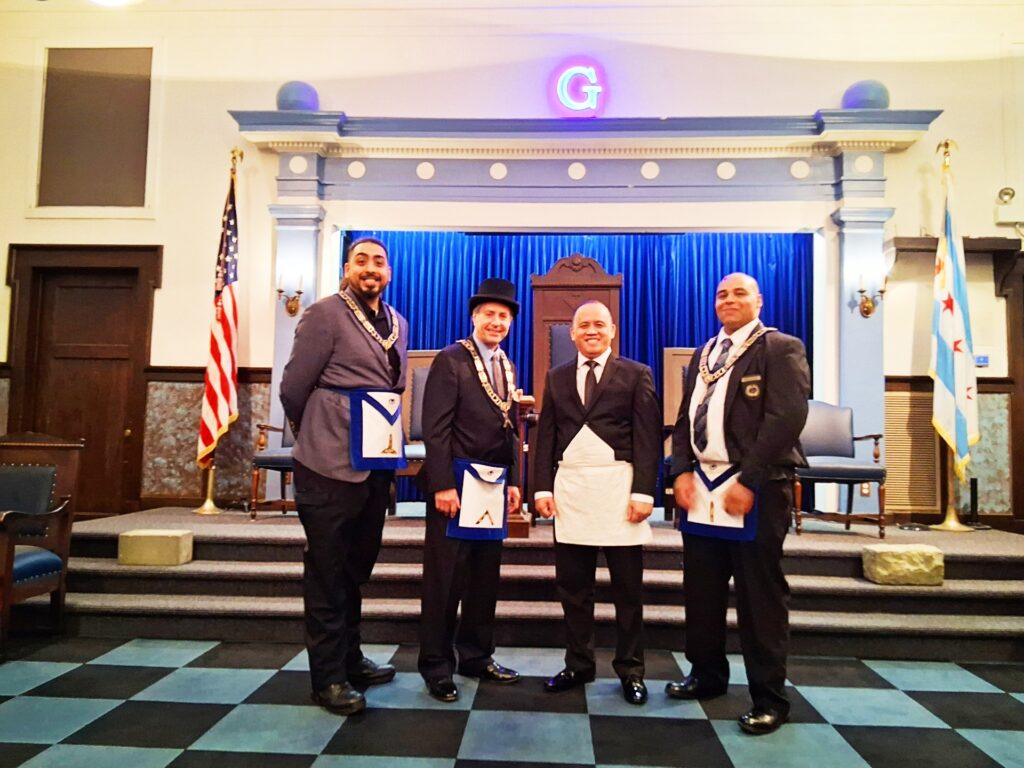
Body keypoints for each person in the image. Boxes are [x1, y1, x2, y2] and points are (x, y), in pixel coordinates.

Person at [666, 272, 809, 735]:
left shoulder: (779, 348)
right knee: (701, 590)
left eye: (739, 293)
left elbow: (787, 417)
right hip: (703, 486)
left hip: (756, 489)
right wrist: (680, 471)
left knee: (758, 596)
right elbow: (685, 417)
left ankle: (769, 697)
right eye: (721, 294)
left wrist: (749, 479)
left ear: (758, 301)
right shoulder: (705, 353)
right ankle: (707, 675)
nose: (729, 299)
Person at [280, 237, 408, 715]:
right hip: (327, 463)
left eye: (379, 262)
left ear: (389, 273)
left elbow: (395, 385)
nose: (370, 268)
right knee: (327, 572)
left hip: (374, 462)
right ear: (347, 269)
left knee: (357, 568)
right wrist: (316, 429)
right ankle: (328, 678)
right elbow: (293, 387)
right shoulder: (324, 314)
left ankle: (351, 659)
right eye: (361, 261)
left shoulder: (398, 322)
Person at [533, 300, 661, 705]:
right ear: (572, 333)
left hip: (620, 494)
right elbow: (546, 437)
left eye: (599, 325)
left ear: (612, 331)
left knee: (628, 591)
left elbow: (648, 437)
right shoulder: (556, 377)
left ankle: (631, 669)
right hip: (572, 493)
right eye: (584, 325)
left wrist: (644, 492)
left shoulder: (637, 374)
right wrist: (541, 488)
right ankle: (579, 664)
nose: (591, 330)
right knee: (574, 589)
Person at [417, 278, 524, 702]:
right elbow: (435, 427)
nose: (497, 322)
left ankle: (477, 656)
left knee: (484, 579)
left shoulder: (506, 364)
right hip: (457, 486)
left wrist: (515, 481)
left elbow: (509, 428)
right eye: (490, 314)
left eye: (504, 316)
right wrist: (442, 483)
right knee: (445, 580)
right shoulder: (451, 359)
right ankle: (436, 666)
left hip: (493, 486)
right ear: (474, 317)